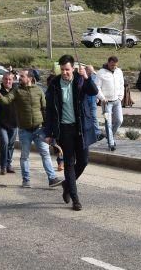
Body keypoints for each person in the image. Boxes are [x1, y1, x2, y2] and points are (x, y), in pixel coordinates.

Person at [44, 55, 97, 211]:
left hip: (80, 128)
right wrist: (48, 132)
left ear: (73, 68)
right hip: (64, 129)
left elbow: (93, 91)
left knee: (84, 161)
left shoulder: (80, 80)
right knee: (68, 163)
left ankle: (67, 184)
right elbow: (50, 111)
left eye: (67, 69)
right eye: (62, 70)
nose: (65, 72)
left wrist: (86, 77)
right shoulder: (54, 84)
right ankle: (75, 198)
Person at [0, 68, 63, 188]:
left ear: (29, 78)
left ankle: (52, 178)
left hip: (39, 130)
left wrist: (47, 127)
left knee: (45, 154)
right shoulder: (17, 90)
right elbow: (6, 100)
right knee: (25, 156)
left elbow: (45, 109)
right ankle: (26, 180)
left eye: (22, 76)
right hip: (24, 131)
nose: (19, 78)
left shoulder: (38, 90)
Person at [0, 71, 18, 176]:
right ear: (2, 79)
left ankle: (8, 164)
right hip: (1, 122)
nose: (8, 81)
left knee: (11, 144)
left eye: (10, 79)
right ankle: (3, 166)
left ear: (13, 80)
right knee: (5, 143)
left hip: (14, 122)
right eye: (6, 79)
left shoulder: (16, 90)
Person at [96, 56, 125, 151]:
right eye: (112, 65)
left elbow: (121, 84)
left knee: (119, 120)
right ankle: (111, 143)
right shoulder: (101, 73)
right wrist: (102, 98)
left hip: (117, 101)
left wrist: (121, 97)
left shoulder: (119, 71)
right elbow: (97, 87)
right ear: (108, 63)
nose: (114, 67)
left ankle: (109, 136)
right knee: (108, 122)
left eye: (115, 65)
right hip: (106, 103)